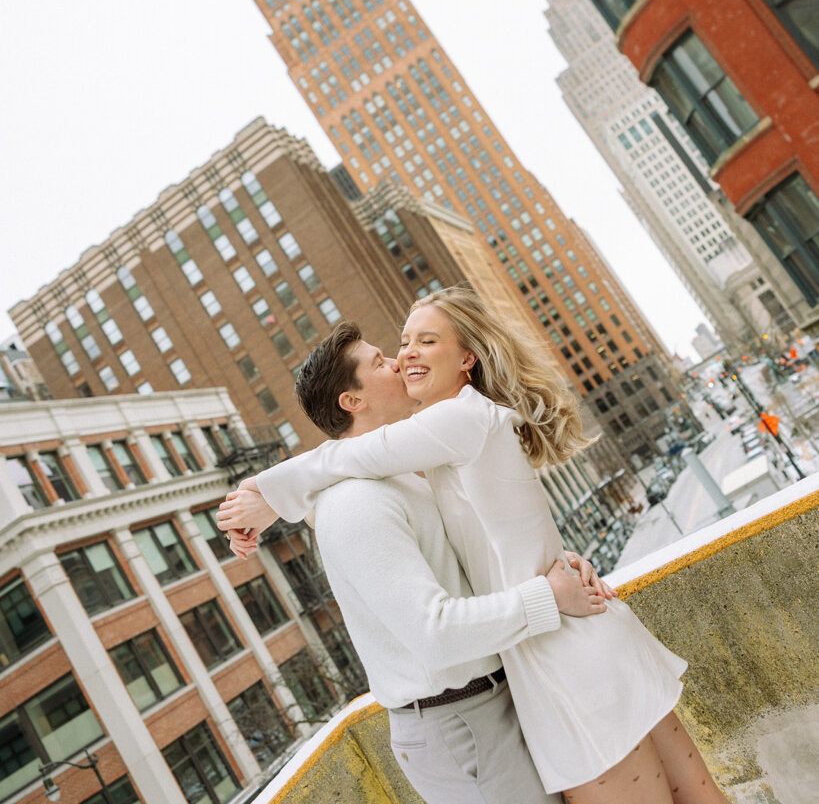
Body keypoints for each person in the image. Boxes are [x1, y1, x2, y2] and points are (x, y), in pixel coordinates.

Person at [220, 287, 729, 804]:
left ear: (468, 357)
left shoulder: (449, 428)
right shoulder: (376, 489)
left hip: (560, 664)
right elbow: (453, 572)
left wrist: (268, 495)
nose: (402, 358)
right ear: (353, 400)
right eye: (389, 353)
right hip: (521, 682)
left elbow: (335, 462)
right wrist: (553, 583)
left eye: (424, 341)